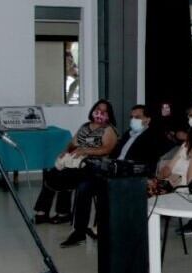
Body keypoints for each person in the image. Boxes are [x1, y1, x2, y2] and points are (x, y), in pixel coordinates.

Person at [62, 105, 166, 247]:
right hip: (114, 170)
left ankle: (104, 228)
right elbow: (115, 153)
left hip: (131, 176)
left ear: (147, 120)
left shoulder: (153, 137)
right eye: (131, 117)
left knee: (104, 189)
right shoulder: (128, 133)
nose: (133, 120)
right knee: (84, 186)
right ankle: (79, 232)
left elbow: (147, 164)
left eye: (137, 117)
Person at [34, 99, 118, 224]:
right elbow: (73, 143)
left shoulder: (109, 130)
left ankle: (63, 213)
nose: (100, 113)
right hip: (76, 161)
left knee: (63, 176)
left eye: (104, 111)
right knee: (52, 173)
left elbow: (107, 149)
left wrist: (86, 151)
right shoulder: (85, 126)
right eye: (97, 110)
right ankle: (42, 212)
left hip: (93, 165)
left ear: (109, 114)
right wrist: (66, 151)